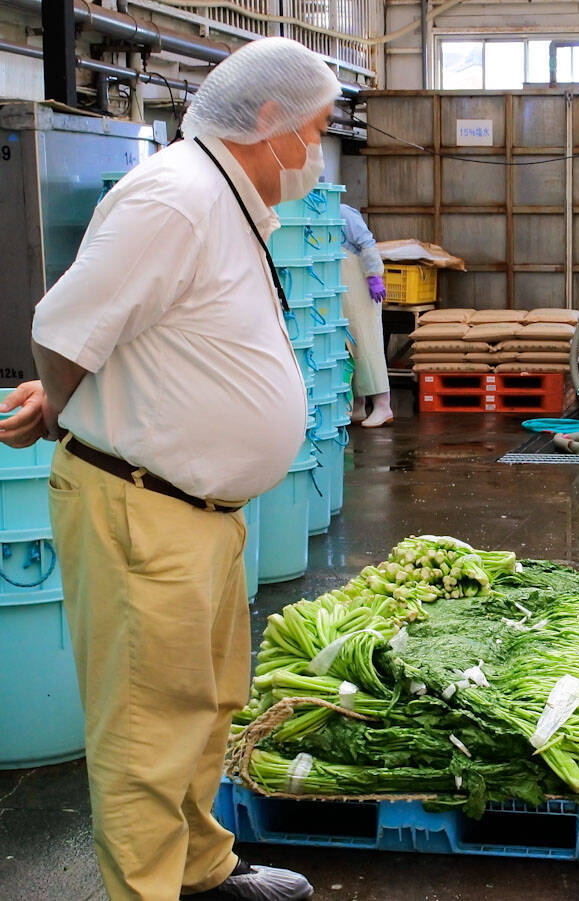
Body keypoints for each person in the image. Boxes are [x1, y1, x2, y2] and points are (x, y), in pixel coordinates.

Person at [0, 36, 342, 901]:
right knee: (147, 731)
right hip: (142, 506)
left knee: (204, 702)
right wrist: (62, 399)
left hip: (198, 510)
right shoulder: (177, 198)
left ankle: (201, 871)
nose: (318, 150)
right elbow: (63, 326)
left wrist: (79, 392)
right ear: (269, 121)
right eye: (315, 130)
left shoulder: (226, 199)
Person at [339, 204, 393, 427]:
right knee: (348, 347)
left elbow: (366, 243)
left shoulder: (343, 212)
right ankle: (358, 405)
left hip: (362, 288)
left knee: (367, 345)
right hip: (342, 291)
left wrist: (374, 275)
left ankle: (383, 405)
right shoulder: (315, 217)